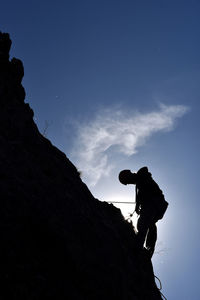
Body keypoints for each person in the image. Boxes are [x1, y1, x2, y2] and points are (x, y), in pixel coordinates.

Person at [118, 167, 168, 257]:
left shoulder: (142, 177)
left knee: (143, 223)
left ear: (129, 174)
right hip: (157, 204)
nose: (129, 183)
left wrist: (139, 205)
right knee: (150, 224)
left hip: (154, 203)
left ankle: (138, 247)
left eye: (127, 181)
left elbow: (145, 190)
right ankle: (149, 249)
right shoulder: (141, 180)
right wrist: (138, 206)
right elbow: (143, 192)